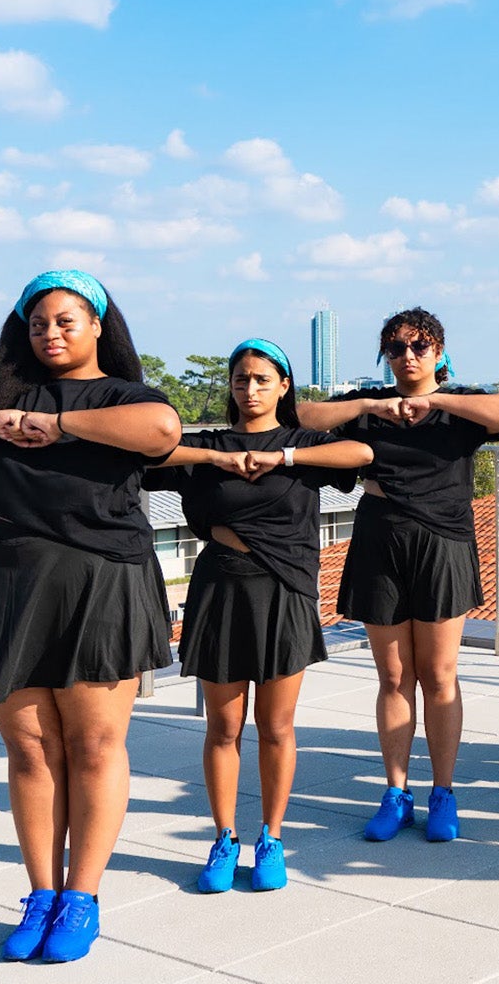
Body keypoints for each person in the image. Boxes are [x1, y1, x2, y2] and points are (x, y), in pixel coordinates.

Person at [0, 270, 180, 963]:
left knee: (96, 747)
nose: (51, 333)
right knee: (31, 749)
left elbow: (161, 430)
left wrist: (58, 423)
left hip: (101, 580)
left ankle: (83, 897)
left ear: (99, 324)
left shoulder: (123, 397)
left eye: (67, 320)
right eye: (39, 322)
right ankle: (41, 893)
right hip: (8, 580)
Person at [145, 339, 373, 892]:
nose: (250, 390)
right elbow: (146, 455)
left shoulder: (303, 445)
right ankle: (224, 837)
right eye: (241, 379)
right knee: (223, 727)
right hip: (221, 589)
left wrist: (282, 457)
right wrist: (213, 458)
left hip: (285, 591)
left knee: (275, 727)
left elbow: (361, 454)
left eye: (262, 380)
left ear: (284, 386)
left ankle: (271, 836)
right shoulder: (209, 446)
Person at [298, 308, 499, 842]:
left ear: (440, 353)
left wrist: (435, 398)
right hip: (381, 540)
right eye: (396, 348)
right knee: (395, 677)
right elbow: (303, 416)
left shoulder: (459, 407)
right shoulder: (369, 411)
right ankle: (396, 791)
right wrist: (375, 402)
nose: (408, 357)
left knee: (440, 675)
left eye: (420, 347)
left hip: (443, 543)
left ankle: (442, 791)